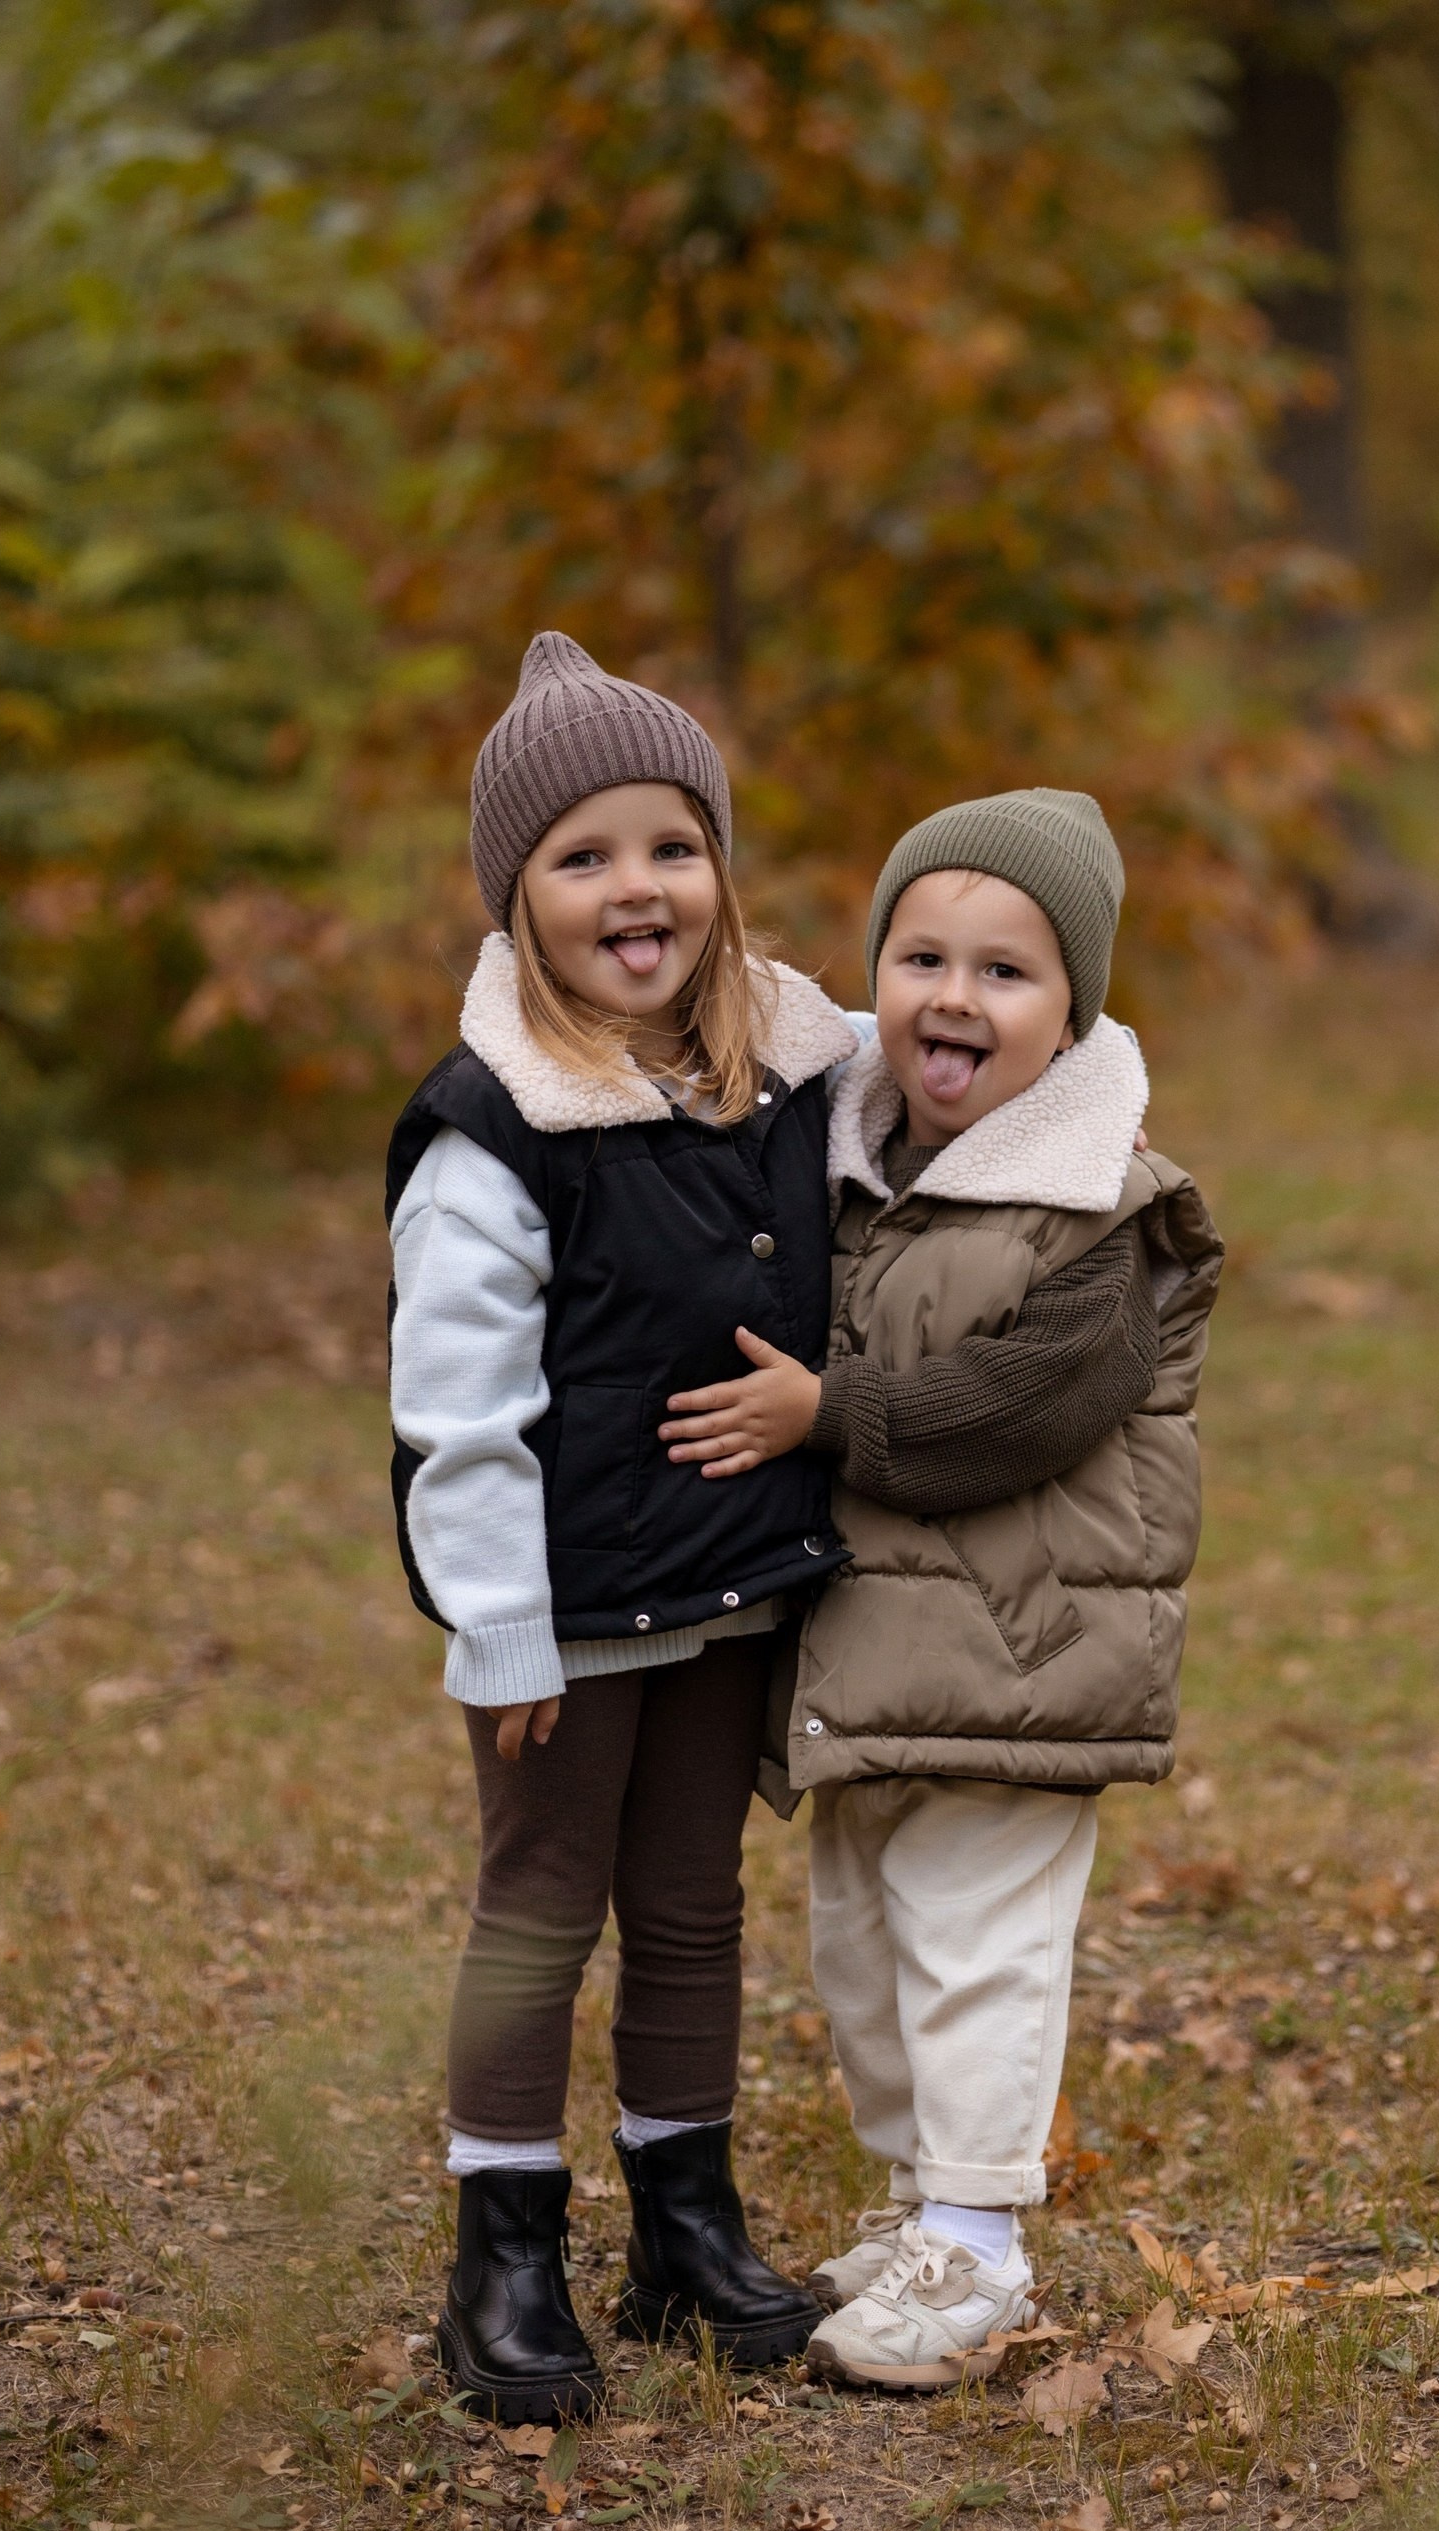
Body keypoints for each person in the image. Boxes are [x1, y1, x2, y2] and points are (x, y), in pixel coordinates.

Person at [657, 788, 1222, 2390]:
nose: (954, 998)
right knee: (866, 1951)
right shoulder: (848, 1165)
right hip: (874, 1650)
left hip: (1025, 1661)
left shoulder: (1100, 1206)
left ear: (1075, 1010)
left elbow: (1023, 1408)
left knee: (978, 1949)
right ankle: (921, 2209)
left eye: (1006, 971)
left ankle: (978, 2247)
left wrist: (827, 1412)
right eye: (921, 956)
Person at [385, 632, 858, 2422]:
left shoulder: (791, 1065)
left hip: (729, 1582)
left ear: (721, 869)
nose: (634, 887)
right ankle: (502, 2247)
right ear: (519, 900)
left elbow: (969, 1037)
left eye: (671, 844)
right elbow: (459, 1412)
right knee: (539, 1912)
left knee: (686, 1908)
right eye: (582, 857)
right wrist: (495, 1624)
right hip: (566, 1615)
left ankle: (686, 2219)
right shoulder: (491, 1132)